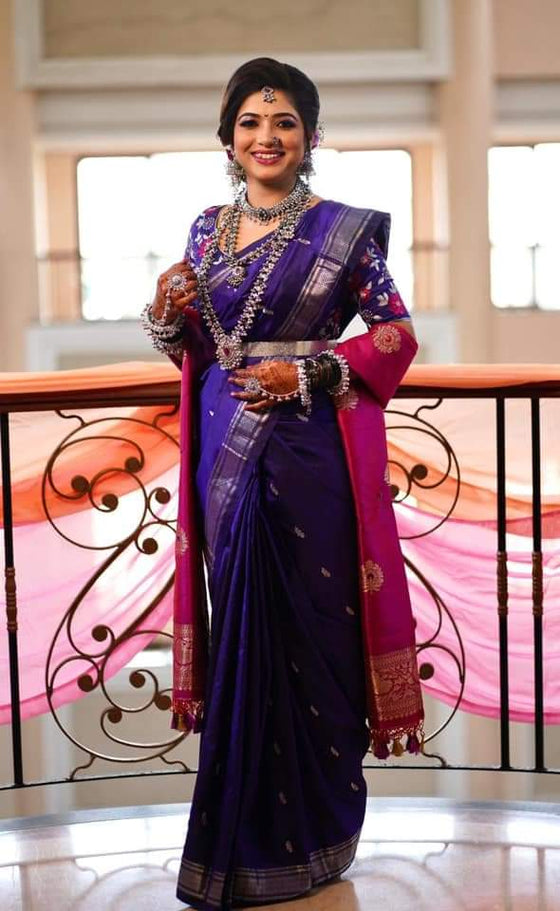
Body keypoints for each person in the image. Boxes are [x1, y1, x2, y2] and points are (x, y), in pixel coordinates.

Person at [142, 57, 425, 911]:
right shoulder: (205, 231)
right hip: (224, 455)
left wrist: (306, 373)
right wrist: (164, 311)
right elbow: (198, 343)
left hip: (308, 454)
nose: (266, 137)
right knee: (243, 626)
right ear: (228, 138)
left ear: (310, 136)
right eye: (250, 123)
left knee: (315, 629)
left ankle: (318, 832)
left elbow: (395, 334)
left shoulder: (345, 231)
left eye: (285, 122)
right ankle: (236, 844)